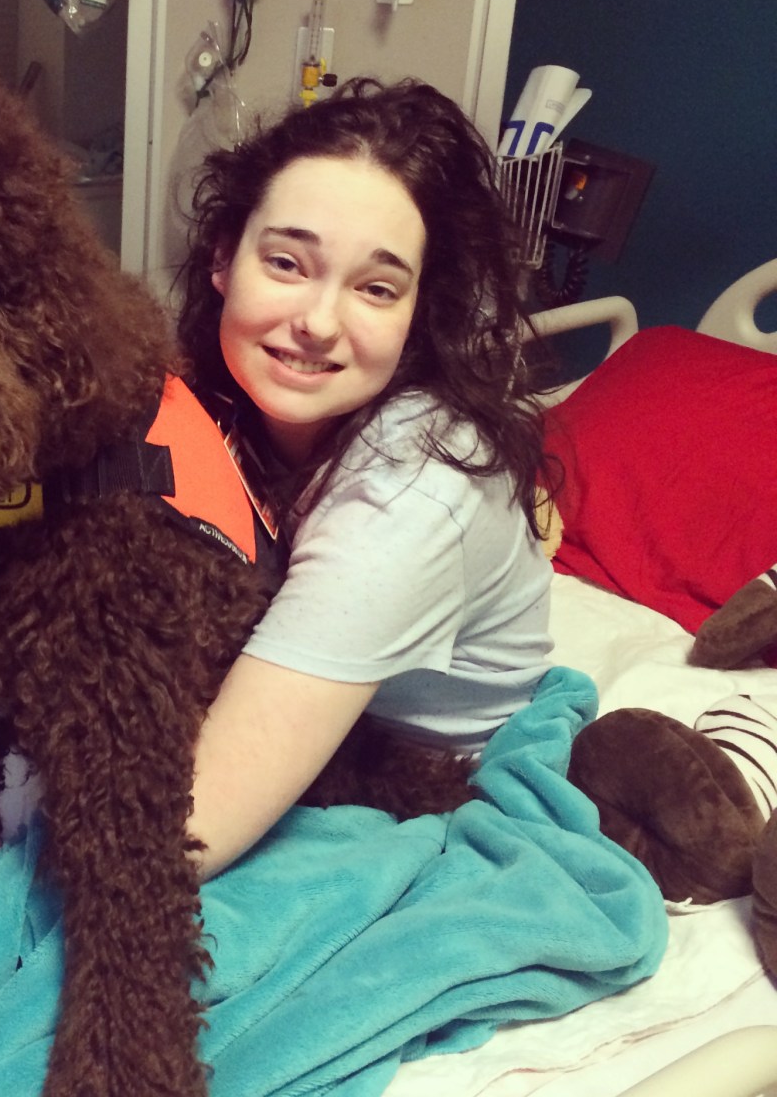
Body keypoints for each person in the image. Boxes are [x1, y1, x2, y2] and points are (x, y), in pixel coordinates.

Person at [174, 77, 554, 879]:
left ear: (418, 315)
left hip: (413, 772)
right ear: (223, 259)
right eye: (286, 262)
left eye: (376, 289)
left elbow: (185, 832)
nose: (317, 322)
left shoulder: (412, 493)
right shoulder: (212, 401)